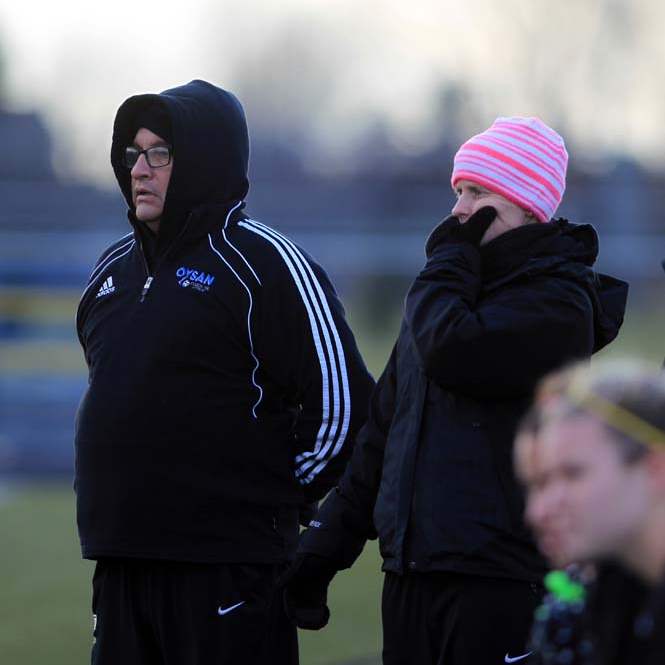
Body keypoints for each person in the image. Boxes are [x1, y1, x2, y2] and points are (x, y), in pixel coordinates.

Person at [283, 117, 629, 664]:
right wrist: (323, 551)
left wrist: (444, 267)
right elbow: (382, 436)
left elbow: (455, 352)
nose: (459, 210)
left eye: (478, 192)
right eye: (458, 191)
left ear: (525, 204)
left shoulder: (558, 303)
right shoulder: (446, 295)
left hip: (499, 584)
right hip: (411, 580)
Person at [74, 79, 374, 665]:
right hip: (120, 563)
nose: (140, 169)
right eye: (132, 153)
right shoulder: (111, 271)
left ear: (205, 159)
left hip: (228, 571)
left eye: (160, 153)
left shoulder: (267, 265)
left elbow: (343, 411)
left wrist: (268, 499)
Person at [515, 360, 665, 664]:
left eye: (573, 474)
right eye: (541, 483)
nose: (538, 512)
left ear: (655, 468)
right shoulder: (612, 597)